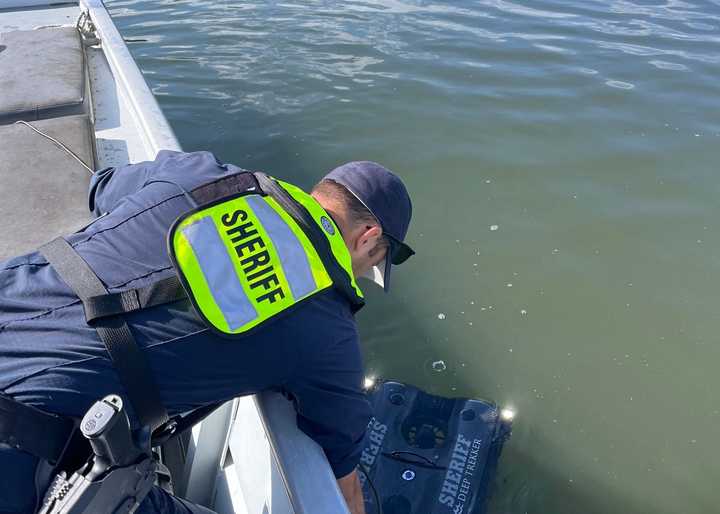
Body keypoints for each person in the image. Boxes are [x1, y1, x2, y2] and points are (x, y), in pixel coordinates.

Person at [0, 150, 414, 514]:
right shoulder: (329, 330)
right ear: (368, 237)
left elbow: (102, 188)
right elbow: (342, 468)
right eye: (372, 264)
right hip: (22, 450)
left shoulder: (203, 172)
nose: (361, 275)